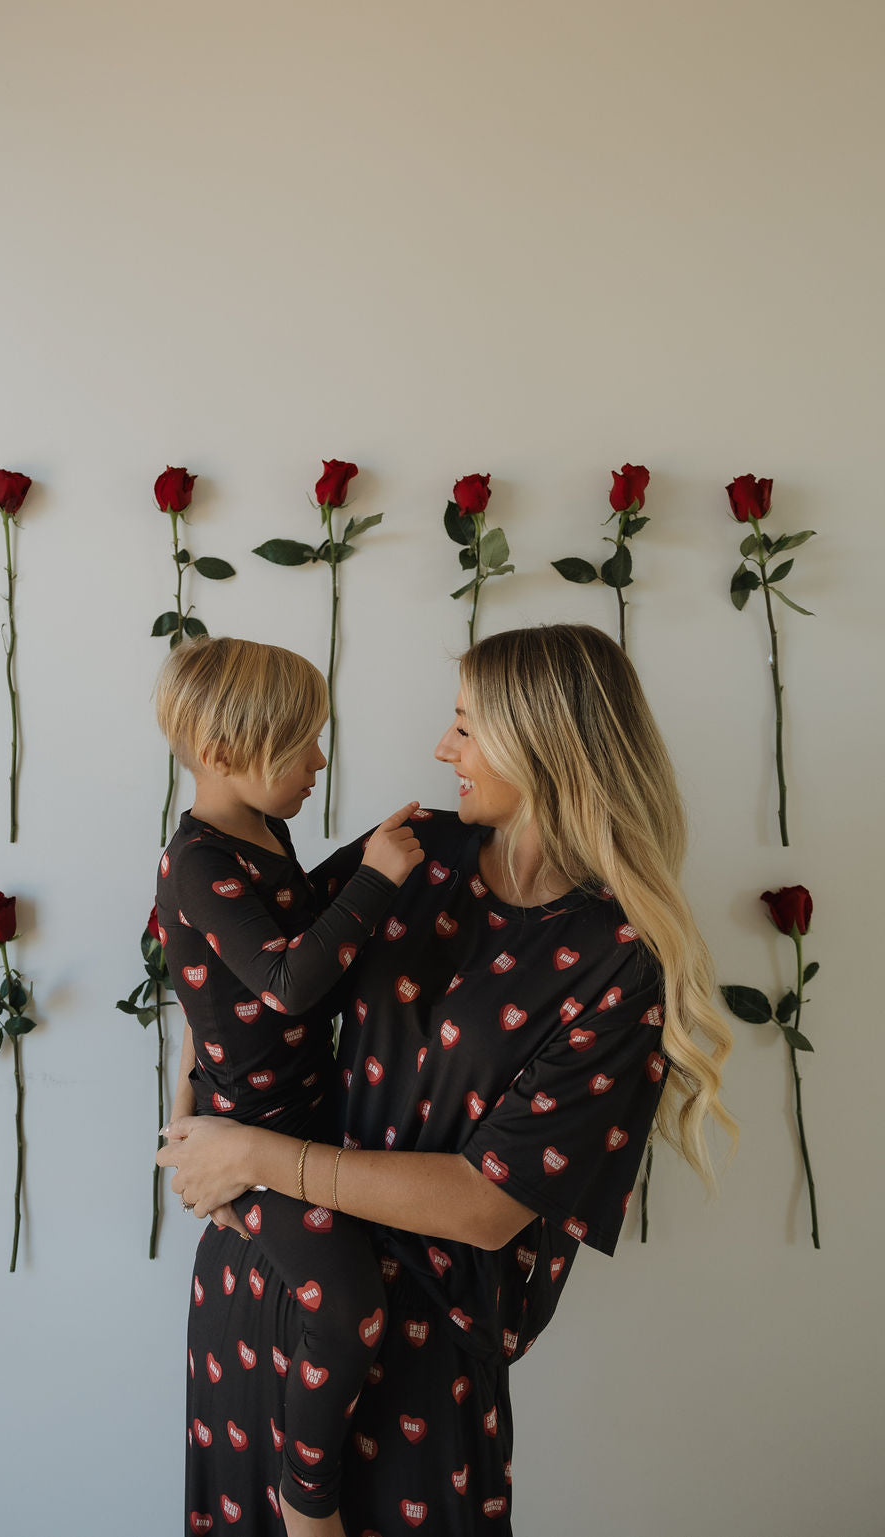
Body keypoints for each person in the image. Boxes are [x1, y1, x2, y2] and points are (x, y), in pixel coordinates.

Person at [158, 624, 736, 1536]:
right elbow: (258, 967)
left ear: (539, 742)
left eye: (465, 724)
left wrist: (255, 1152)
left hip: (421, 1347)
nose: (440, 747)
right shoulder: (415, 850)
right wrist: (193, 1094)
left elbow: (489, 1205)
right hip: (260, 1276)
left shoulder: (616, 961)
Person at [154, 636, 425, 1536]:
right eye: (302, 745)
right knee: (347, 1309)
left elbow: (301, 909)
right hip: (254, 1135)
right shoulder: (196, 860)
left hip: (309, 1117)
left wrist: (376, 850)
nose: (319, 761)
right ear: (228, 756)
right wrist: (378, 875)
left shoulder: (260, 828)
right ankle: (305, 1499)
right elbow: (287, 979)